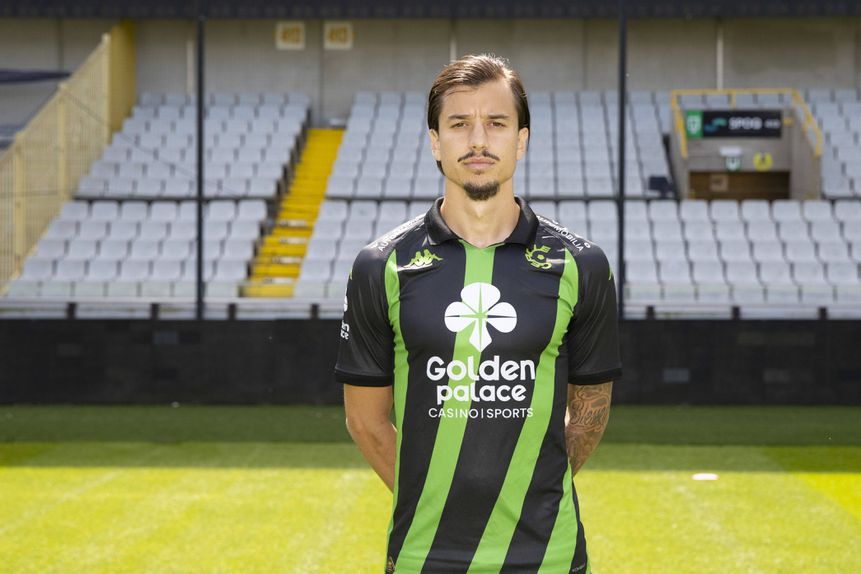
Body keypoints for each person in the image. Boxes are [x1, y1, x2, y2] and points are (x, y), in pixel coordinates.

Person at [335, 54, 621, 573]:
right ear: (435, 141)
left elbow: (591, 411)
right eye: (459, 123)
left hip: (548, 555)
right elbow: (365, 420)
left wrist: (532, 490)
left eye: (497, 123)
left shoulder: (581, 265)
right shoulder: (382, 266)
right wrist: (434, 499)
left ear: (521, 139)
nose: (478, 140)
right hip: (426, 555)